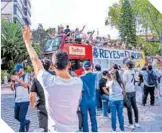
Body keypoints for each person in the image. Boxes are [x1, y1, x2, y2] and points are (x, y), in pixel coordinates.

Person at [22, 26, 82, 132]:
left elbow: (35, 60)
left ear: (52, 66)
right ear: (69, 64)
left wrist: (27, 42)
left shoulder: (48, 82)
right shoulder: (78, 83)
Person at [30, 59, 55, 132]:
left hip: (42, 107)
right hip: (54, 106)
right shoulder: (54, 75)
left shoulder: (36, 77)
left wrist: (33, 104)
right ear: (50, 65)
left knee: (43, 128)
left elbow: (32, 95)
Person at [10, 64, 30, 132]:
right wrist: (12, 82)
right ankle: (27, 122)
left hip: (25, 100)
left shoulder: (26, 75)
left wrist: (18, 80)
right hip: (17, 101)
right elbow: (12, 89)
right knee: (16, 117)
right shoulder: (16, 77)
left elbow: (26, 85)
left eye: (17, 71)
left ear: (21, 69)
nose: (16, 72)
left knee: (22, 119)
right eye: (15, 71)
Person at [80, 61, 98, 132]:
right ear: (91, 67)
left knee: (84, 119)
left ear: (83, 68)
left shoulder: (81, 77)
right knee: (93, 117)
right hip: (92, 100)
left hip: (84, 100)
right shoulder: (95, 76)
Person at [107, 64, 125, 132]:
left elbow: (106, 73)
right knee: (120, 115)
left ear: (112, 74)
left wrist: (111, 68)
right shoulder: (120, 80)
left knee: (113, 116)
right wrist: (118, 68)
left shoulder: (110, 81)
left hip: (112, 100)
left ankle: (114, 130)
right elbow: (122, 71)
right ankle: (122, 129)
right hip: (120, 99)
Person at [123, 60, 140, 129]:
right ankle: (136, 123)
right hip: (133, 91)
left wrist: (123, 91)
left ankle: (131, 124)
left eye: (126, 64)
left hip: (127, 91)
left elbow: (124, 83)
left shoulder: (126, 72)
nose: (125, 65)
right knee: (135, 107)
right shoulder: (134, 71)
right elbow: (136, 79)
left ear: (128, 65)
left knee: (129, 108)